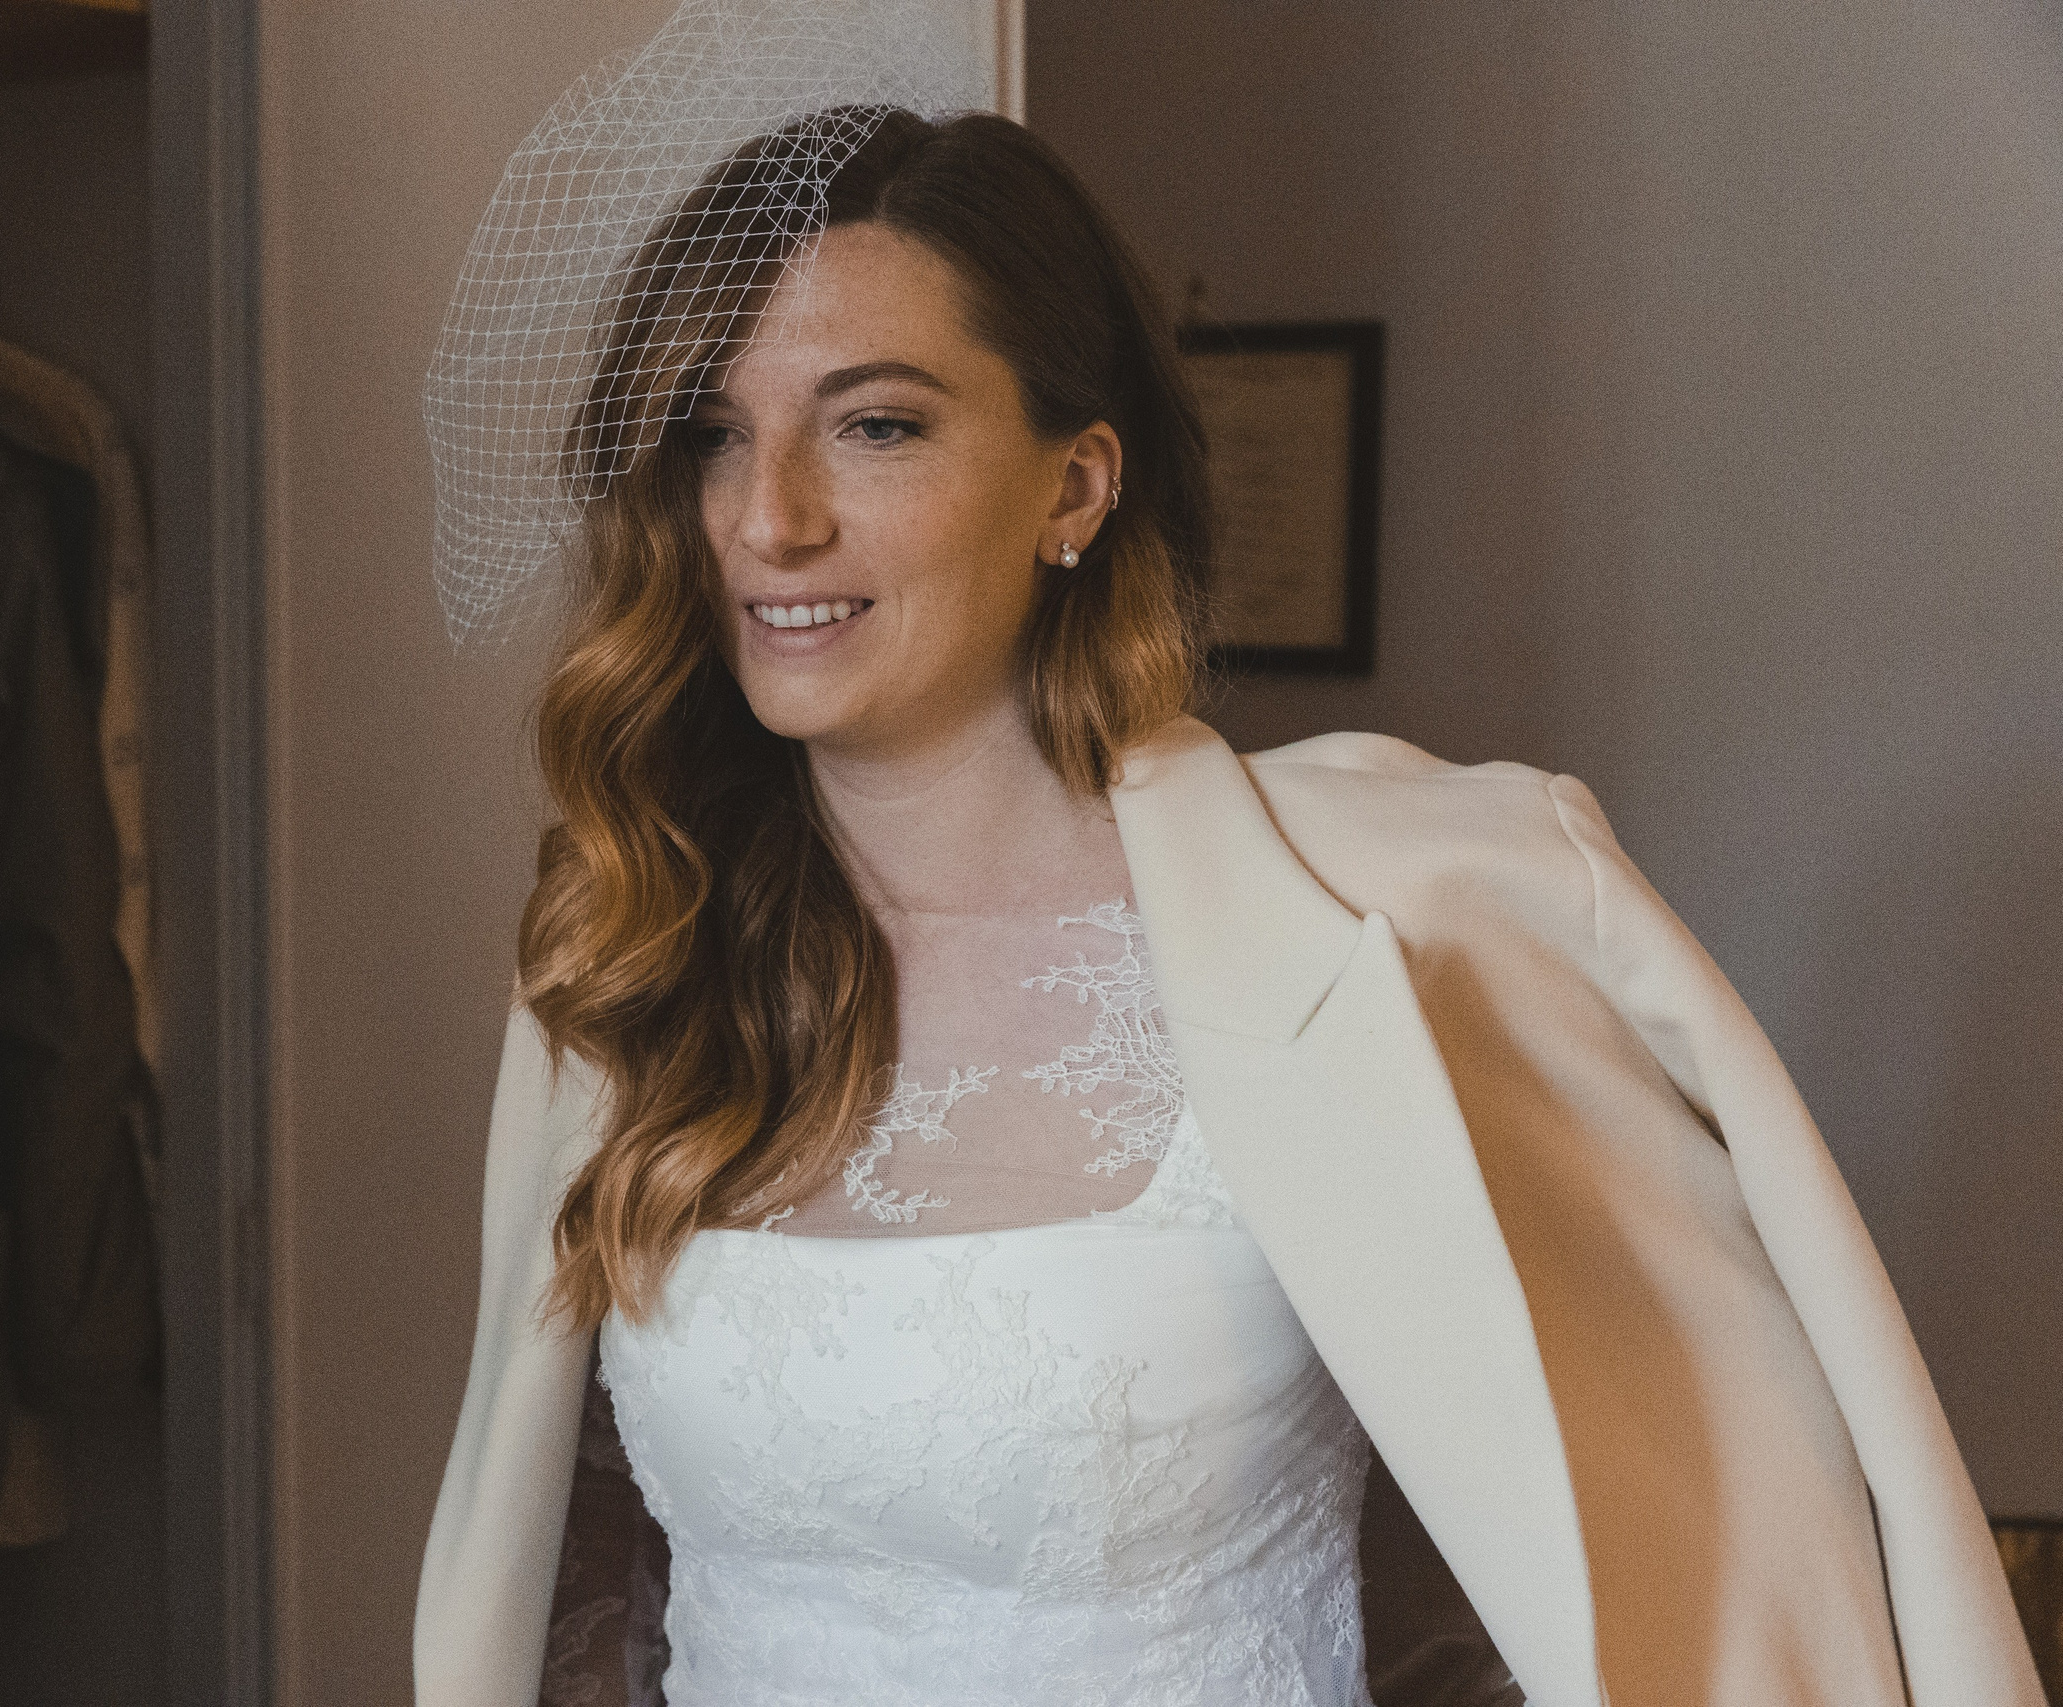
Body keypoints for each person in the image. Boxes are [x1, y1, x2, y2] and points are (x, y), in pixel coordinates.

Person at [412, 77, 2040, 1707]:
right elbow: (541, 1559)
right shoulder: (633, 944)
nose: (771, 518)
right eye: (715, 435)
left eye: (877, 424)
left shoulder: (1407, 912)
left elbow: (1733, 1516)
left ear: (1075, 487)